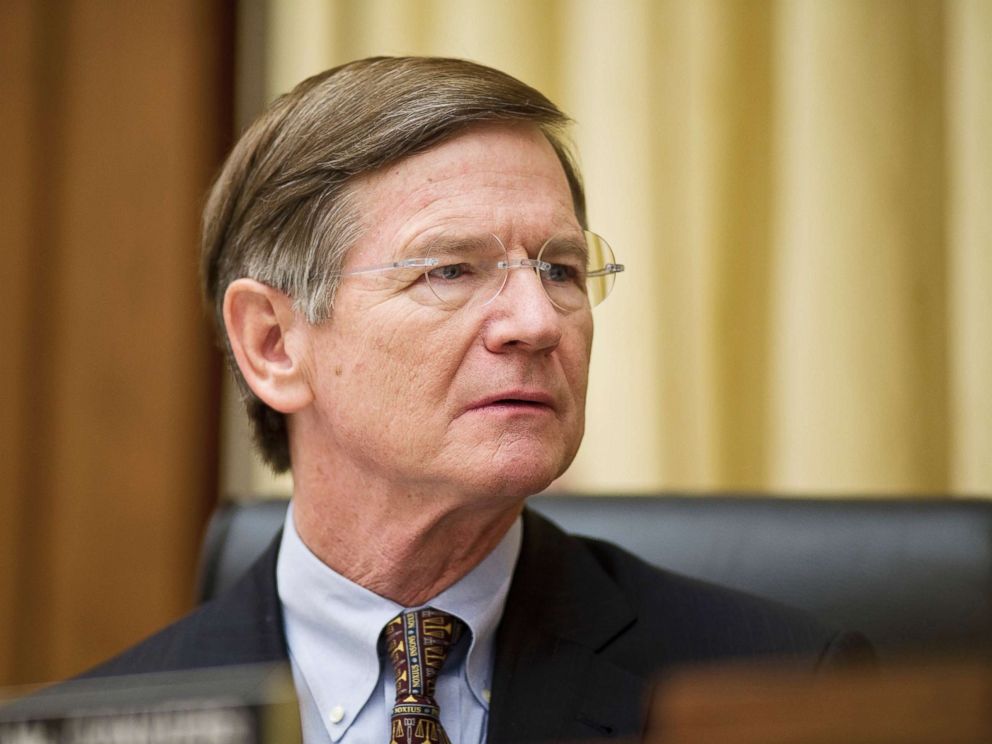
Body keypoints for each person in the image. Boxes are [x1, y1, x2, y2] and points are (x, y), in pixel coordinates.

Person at [78, 57, 868, 742]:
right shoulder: (93, 730)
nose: (535, 323)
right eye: (449, 270)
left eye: (559, 269)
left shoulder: (780, 687)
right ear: (273, 344)